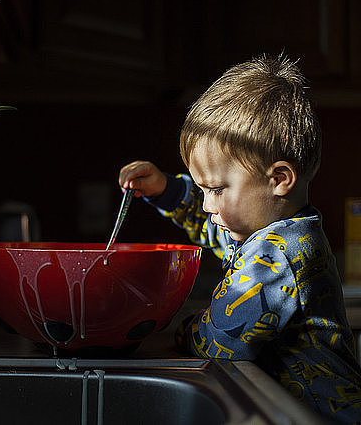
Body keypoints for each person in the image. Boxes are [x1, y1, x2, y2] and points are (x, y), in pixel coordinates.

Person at [118, 54, 361, 423]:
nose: (206, 205)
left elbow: (220, 340)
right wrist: (166, 191)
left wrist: (180, 324)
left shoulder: (280, 254)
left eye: (214, 189)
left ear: (278, 179)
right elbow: (212, 228)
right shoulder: (275, 229)